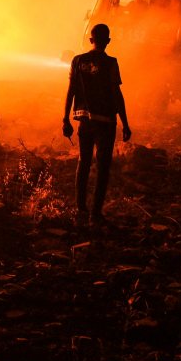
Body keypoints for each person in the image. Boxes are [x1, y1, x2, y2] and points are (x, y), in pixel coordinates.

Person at [62, 23, 132, 231]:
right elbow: (116, 94)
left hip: (84, 121)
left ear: (91, 40)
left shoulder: (78, 61)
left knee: (83, 163)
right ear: (108, 41)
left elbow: (71, 90)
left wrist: (65, 119)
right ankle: (95, 214)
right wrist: (126, 123)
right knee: (103, 168)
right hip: (106, 123)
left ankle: (80, 210)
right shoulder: (111, 63)